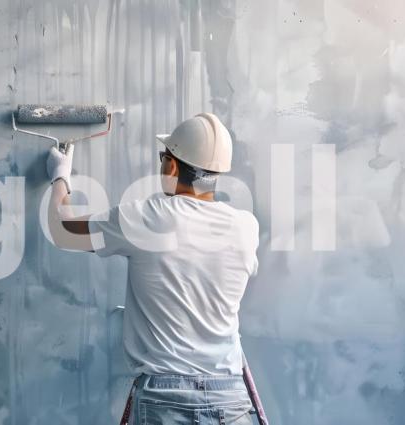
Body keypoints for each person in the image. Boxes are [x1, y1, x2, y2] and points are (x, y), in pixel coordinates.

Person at [45, 113, 260, 425]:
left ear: (171, 166)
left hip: (165, 398)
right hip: (229, 397)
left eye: (164, 158)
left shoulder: (146, 219)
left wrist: (59, 176)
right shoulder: (245, 228)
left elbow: (61, 229)